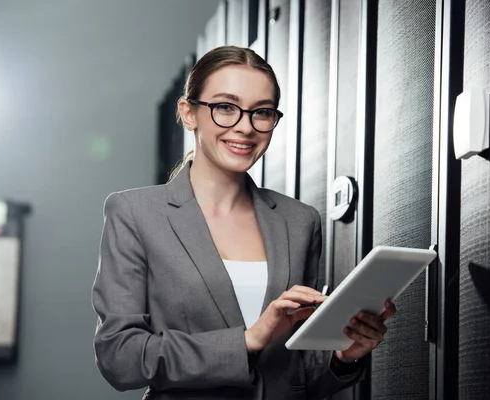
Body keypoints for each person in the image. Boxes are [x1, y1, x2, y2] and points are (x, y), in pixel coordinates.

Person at [91, 45, 396, 400]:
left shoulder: (299, 221)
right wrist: (247, 340)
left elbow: (296, 374)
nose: (245, 127)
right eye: (225, 108)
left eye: (262, 112)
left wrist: (344, 357)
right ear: (188, 113)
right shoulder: (135, 213)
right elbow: (120, 358)